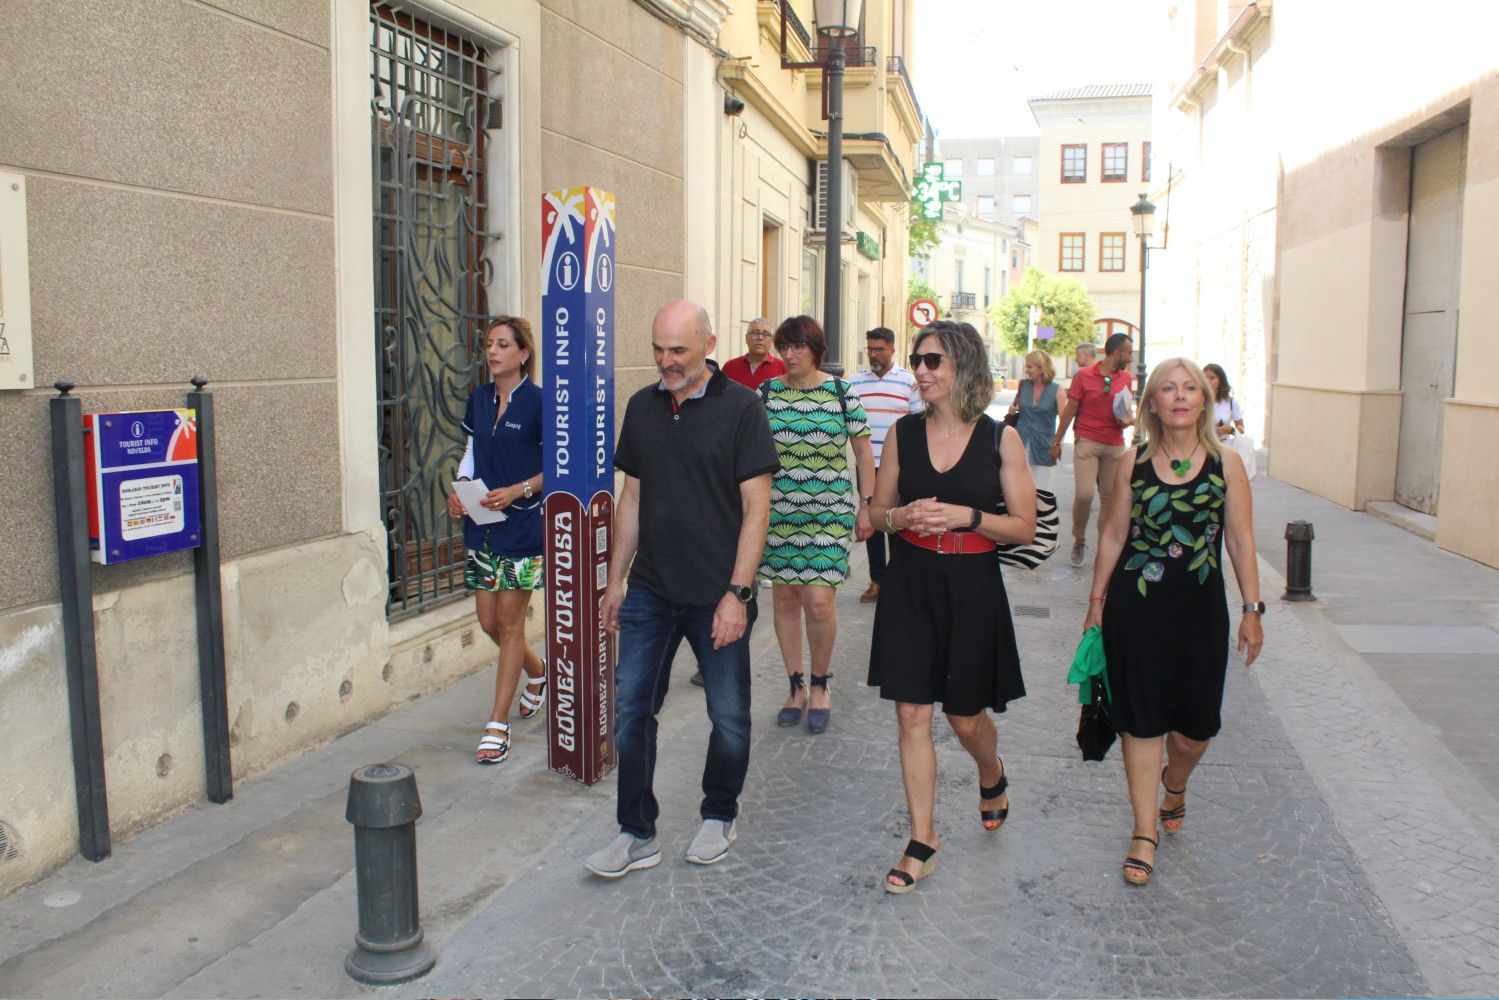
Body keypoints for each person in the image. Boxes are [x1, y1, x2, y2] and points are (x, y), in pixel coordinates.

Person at [584, 300, 779, 878]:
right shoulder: (642, 406)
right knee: (631, 710)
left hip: (717, 593)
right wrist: (615, 580)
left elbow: (757, 509)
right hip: (650, 591)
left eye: (678, 351)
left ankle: (719, 814)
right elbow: (632, 498)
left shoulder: (742, 408)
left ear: (709, 346)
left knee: (729, 715)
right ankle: (636, 833)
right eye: (657, 349)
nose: (665, 361)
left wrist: (738, 594)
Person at [867, 320, 1035, 894]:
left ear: (964, 366)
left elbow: (1025, 526)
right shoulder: (902, 434)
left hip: (972, 584)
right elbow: (876, 515)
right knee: (911, 714)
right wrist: (900, 517)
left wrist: (970, 517)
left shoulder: (999, 440)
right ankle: (923, 838)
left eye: (933, 360)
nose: (920, 370)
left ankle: (991, 769)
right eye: (918, 360)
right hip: (911, 581)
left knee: (965, 717)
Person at [1084, 357, 1263, 886]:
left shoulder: (1227, 463)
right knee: (1141, 720)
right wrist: (1096, 602)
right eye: (1168, 388)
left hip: (1199, 614)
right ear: (1153, 403)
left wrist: (1253, 610)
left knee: (1194, 731)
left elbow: (1241, 540)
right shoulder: (1132, 462)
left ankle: (1176, 781)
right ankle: (1144, 831)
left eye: (1190, 388)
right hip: (1136, 609)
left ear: (1204, 400)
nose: (1180, 396)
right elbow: (1113, 534)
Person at [760, 316, 875, 735]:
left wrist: (866, 506)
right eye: (784, 347)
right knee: (786, 601)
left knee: (820, 601)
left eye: (798, 347)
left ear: (816, 350)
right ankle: (796, 687)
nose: (789, 355)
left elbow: (863, 454)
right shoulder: (766, 394)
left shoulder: (842, 393)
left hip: (829, 514)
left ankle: (821, 683)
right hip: (778, 513)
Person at [446, 316, 547, 765]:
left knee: (509, 624)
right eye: (489, 344)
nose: (492, 351)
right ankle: (538, 670)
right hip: (482, 524)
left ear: (523, 353)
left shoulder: (540, 403)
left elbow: (557, 466)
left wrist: (519, 489)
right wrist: (461, 490)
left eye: (503, 344)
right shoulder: (479, 400)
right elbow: (471, 455)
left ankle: (497, 724)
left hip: (522, 527)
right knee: (489, 622)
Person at [849, 326, 923, 603]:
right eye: (870, 349)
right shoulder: (855, 383)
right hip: (867, 466)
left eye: (879, 349)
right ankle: (877, 581)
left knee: (897, 523)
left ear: (892, 349)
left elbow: (919, 424)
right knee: (871, 523)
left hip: (898, 467)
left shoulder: (908, 382)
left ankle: (898, 581)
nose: (873, 354)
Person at [1050, 333, 1134, 569]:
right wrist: (1057, 442)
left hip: (1114, 444)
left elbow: (1126, 411)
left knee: (1109, 498)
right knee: (1084, 495)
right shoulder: (1084, 375)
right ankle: (1079, 537)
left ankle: (1104, 545)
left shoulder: (1127, 378)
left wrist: (1128, 421)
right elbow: (1070, 410)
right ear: (1116, 353)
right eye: (1128, 353)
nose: (1130, 358)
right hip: (1087, 440)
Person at [1006, 349, 1060, 491]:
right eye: (1026, 366)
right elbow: (1017, 406)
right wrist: (1012, 409)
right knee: (1018, 490)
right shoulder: (1024, 385)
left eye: (1029, 367)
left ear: (1042, 368)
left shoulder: (1057, 390)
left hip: (1044, 446)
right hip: (1020, 442)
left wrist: (1057, 444)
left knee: (1042, 492)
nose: (1026, 370)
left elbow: (1064, 420)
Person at [721, 316, 786, 391]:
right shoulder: (730, 367)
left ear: (772, 340)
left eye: (765, 334)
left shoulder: (782, 368)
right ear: (746, 338)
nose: (760, 337)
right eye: (755, 333)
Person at [1202, 363, 1246, 440]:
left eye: (1212, 378)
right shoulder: (1197, 401)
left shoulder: (1231, 403)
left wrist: (1230, 430)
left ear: (1221, 381)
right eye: (1204, 378)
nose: (1207, 381)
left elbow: (1241, 429)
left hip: (1222, 445)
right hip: (1200, 445)